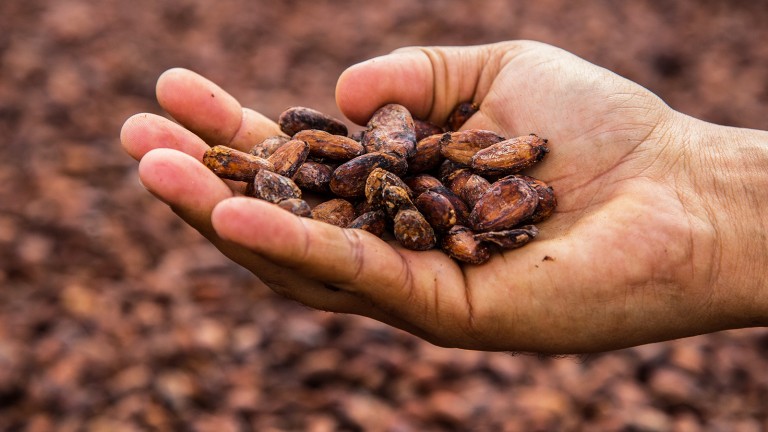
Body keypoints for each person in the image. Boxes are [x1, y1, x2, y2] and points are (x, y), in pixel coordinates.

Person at [120, 40, 768, 354]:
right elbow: (388, 171)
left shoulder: (449, 179)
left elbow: (422, 177)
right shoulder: (398, 170)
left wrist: (689, 182)